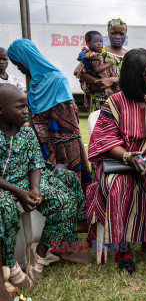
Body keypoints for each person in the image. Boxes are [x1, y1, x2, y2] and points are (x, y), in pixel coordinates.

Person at [86, 49, 146, 273]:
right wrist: (129, 157)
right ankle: (123, 248)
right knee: (120, 184)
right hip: (120, 162)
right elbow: (106, 139)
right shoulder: (115, 102)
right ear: (135, 76)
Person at [0, 84, 91, 289]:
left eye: (27, 106)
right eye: (20, 107)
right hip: (5, 187)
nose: (26, 112)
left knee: (64, 199)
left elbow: (35, 165)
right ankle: (10, 265)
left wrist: (35, 189)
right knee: (5, 209)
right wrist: (19, 193)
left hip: (25, 182)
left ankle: (40, 253)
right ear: (1, 110)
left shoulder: (27, 133)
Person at [7, 39, 92, 191]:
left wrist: (60, 157)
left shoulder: (57, 80)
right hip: (43, 149)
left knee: (68, 189)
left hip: (63, 153)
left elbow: (68, 126)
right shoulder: (36, 82)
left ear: (26, 59)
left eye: (18, 63)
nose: (18, 68)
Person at [75, 18, 128, 112]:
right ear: (108, 34)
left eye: (121, 34)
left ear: (125, 35)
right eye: (113, 33)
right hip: (100, 100)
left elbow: (134, 77)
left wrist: (113, 79)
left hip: (122, 101)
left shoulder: (130, 55)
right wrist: (102, 83)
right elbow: (78, 72)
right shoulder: (98, 52)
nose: (117, 37)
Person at [76, 31, 118, 110]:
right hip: (99, 92)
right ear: (88, 44)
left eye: (101, 41)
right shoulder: (94, 55)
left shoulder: (92, 54)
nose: (99, 44)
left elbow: (79, 57)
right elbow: (78, 71)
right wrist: (108, 64)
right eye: (95, 42)